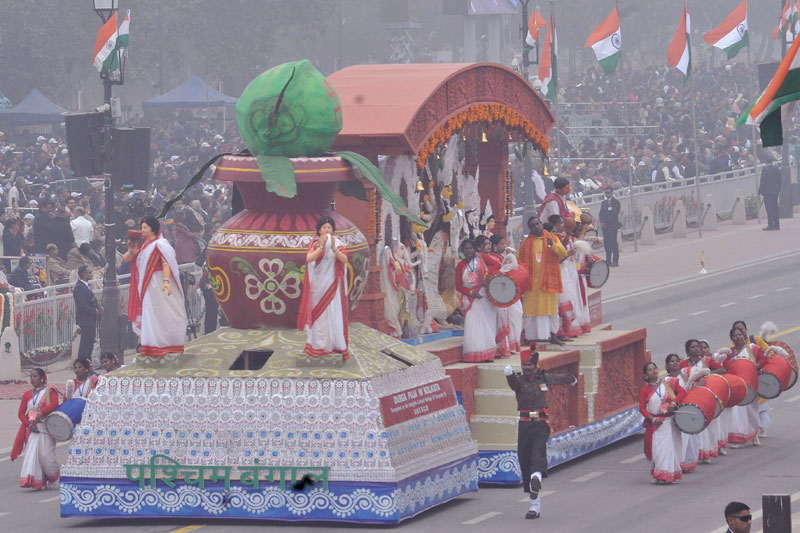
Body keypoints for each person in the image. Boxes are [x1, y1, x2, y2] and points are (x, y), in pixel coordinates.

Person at [504, 344, 577, 519]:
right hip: (524, 425)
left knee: (537, 454)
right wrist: (508, 373)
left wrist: (572, 379)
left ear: (535, 365)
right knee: (525, 458)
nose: (526, 368)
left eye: (529, 365)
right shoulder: (519, 381)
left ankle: (536, 478)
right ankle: (534, 506)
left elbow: (559, 379)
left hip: (541, 423)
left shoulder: (543, 378)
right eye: (524, 365)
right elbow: (512, 383)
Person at [124, 216, 188, 357]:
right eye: (141, 227)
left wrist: (166, 280)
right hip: (147, 287)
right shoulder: (144, 245)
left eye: (145, 227)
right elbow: (127, 259)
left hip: (158, 283)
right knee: (150, 314)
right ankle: (151, 347)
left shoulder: (161, 245)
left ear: (152, 229)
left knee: (163, 313)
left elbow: (166, 263)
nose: (142, 230)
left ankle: (166, 345)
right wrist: (131, 249)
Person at [297, 216, 350, 360]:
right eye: (324, 228)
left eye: (329, 228)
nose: (326, 230)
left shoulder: (337, 243)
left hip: (332, 286)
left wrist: (333, 248)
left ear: (333, 230)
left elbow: (344, 260)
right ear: (319, 230)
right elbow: (309, 259)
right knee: (318, 316)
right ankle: (317, 345)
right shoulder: (314, 244)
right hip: (318, 286)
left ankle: (335, 344)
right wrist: (321, 247)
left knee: (333, 313)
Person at [517, 216, 567, 346]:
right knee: (531, 311)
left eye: (537, 224)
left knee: (549, 311)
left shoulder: (552, 238)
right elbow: (519, 262)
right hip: (532, 285)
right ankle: (531, 337)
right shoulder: (525, 244)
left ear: (541, 224)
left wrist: (553, 245)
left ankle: (551, 335)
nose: (536, 227)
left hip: (548, 281)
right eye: (532, 225)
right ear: (530, 228)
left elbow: (563, 253)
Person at [11, 368, 60, 490]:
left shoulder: (50, 391)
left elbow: (54, 404)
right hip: (33, 428)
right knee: (33, 455)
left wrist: (40, 413)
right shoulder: (27, 394)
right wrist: (29, 424)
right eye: (31, 376)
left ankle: (53, 477)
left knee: (46, 455)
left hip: (46, 426)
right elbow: (21, 414)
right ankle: (39, 481)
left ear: (42, 378)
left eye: (35, 376)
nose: (32, 379)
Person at [639, 361, 686, 484]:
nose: (653, 370)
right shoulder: (645, 390)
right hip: (656, 423)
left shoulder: (668, 383)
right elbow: (642, 408)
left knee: (672, 448)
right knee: (658, 449)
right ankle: (659, 474)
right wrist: (652, 419)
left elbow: (682, 392)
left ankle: (669, 474)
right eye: (650, 370)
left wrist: (674, 403)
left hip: (670, 421)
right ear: (645, 375)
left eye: (654, 368)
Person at [680, 338, 723, 463]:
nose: (696, 349)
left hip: (703, 396)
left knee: (704, 423)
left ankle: (705, 452)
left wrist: (706, 375)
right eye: (693, 347)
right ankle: (694, 453)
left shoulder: (706, 361)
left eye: (697, 346)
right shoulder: (683, 364)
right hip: (689, 396)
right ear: (687, 351)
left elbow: (722, 370)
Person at [455, 239, 498, 362]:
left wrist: (489, 277)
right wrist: (471, 292)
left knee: (487, 325)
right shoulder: (460, 265)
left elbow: (497, 265)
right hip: (470, 298)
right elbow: (458, 286)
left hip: (484, 295)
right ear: (462, 251)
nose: (468, 251)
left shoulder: (482, 257)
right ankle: (473, 354)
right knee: (472, 325)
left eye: (470, 248)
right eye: (466, 249)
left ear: (475, 249)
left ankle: (488, 354)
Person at [725, 327, 766, 448]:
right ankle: (738, 438)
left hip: (752, 384)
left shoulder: (753, 348)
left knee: (752, 411)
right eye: (735, 335)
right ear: (731, 338)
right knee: (737, 411)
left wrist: (755, 367)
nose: (738, 337)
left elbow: (764, 360)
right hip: (738, 385)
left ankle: (755, 434)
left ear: (744, 336)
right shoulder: (729, 352)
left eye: (740, 334)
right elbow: (726, 366)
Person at [665, 353, 698, 473]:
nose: (675, 363)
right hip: (672, 413)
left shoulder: (685, 376)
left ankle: (686, 463)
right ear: (667, 365)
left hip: (686, 411)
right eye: (672, 361)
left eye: (677, 360)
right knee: (676, 440)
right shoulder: (665, 381)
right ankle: (675, 464)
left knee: (689, 439)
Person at [73, 265, 101, 358]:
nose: (91, 274)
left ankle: (88, 364)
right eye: (89, 273)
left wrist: (98, 307)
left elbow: (91, 300)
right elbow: (82, 305)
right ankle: (83, 362)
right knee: (85, 344)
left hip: (90, 319)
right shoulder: (79, 287)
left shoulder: (87, 286)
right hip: (85, 320)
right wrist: (94, 311)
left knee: (90, 344)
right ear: (84, 274)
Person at [758, 151, 781, 231]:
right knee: (775, 207)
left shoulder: (765, 170)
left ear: (766, 162)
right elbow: (779, 180)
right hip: (775, 191)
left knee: (769, 208)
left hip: (767, 192)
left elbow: (762, 182)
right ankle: (777, 225)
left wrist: (759, 192)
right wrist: (778, 189)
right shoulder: (776, 169)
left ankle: (771, 224)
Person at [598, 187, 621, 267]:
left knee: (613, 243)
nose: (607, 194)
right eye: (606, 193)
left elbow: (614, 214)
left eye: (608, 192)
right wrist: (602, 222)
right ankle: (608, 260)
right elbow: (601, 213)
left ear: (612, 192)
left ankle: (615, 260)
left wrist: (606, 222)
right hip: (605, 227)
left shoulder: (616, 202)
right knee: (607, 244)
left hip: (612, 226)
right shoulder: (604, 202)